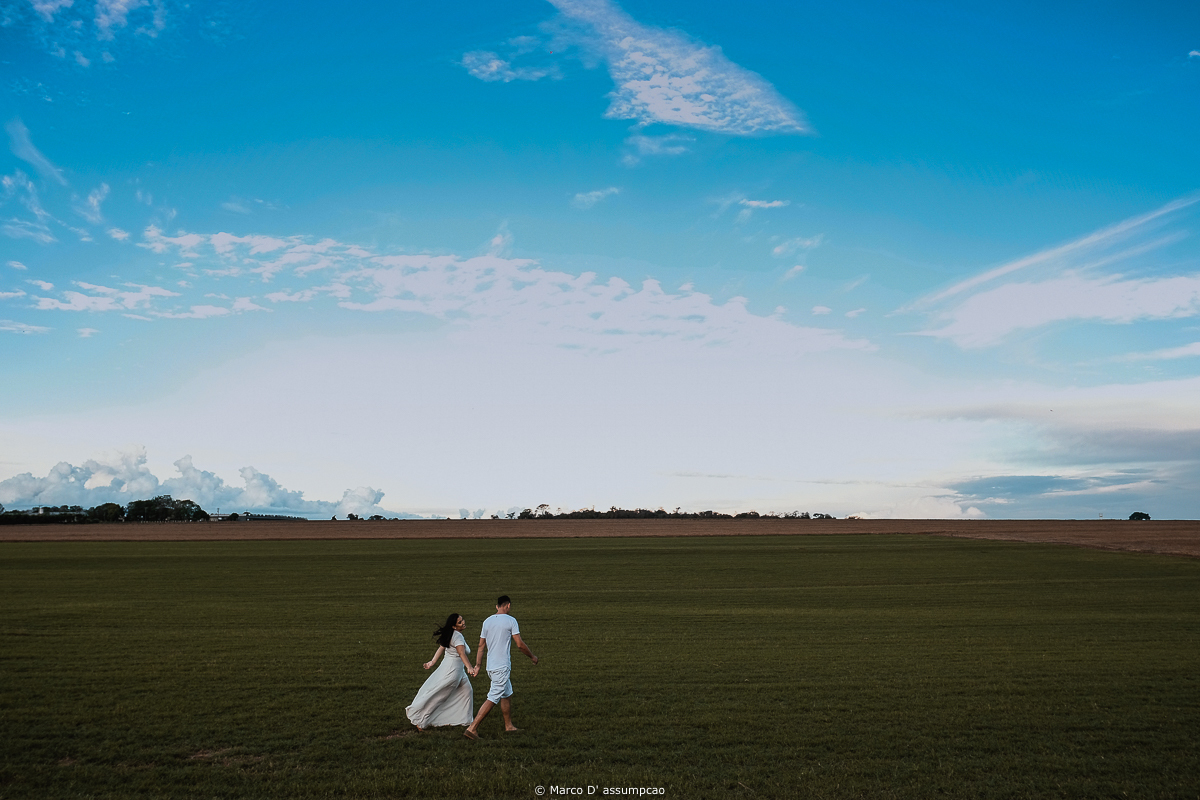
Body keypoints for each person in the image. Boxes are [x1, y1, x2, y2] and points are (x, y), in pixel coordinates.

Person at [464, 595, 538, 740]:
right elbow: (519, 644)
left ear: (497, 606)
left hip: (491, 666)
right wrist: (532, 657)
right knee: (493, 697)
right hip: (501, 666)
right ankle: (472, 728)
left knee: (506, 694)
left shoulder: (487, 621)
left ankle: (509, 726)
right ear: (508, 605)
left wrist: (478, 665)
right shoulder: (511, 621)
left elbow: (481, 645)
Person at [405, 613, 477, 732]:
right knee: (439, 698)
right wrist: (469, 667)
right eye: (460, 622)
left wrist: (432, 662)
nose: (463, 622)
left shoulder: (452, 634)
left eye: (462, 620)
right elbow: (461, 653)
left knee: (467, 691)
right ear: (454, 626)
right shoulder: (457, 636)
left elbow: (442, 647)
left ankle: (465, 720)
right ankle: (421, 722)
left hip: (457, 670)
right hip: (453, 672)